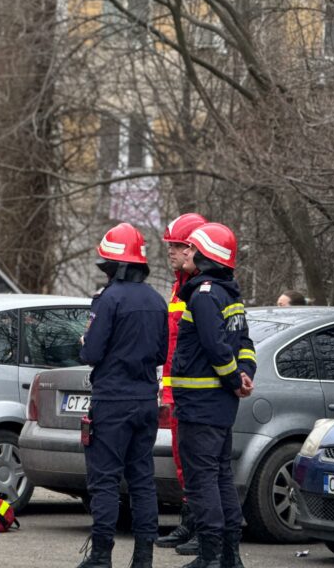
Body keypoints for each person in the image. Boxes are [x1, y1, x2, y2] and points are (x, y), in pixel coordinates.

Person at [76, 223, 168, 568]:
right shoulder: (158, 301)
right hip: (145, 401)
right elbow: (161, 354)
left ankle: (101, 556)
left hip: (112, 401)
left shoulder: (108, 299)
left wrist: (85, 345)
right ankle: (143, 558)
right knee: (142, 480)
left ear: (115, 265)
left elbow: (91, 353)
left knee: (104, 480)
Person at [172, 223, 256, 568]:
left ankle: (210, 556)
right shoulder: (229, 294)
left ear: (206, 255)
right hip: (221, 407)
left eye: (191, 249)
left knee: (202, 480)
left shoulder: (204, 294)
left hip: (200, 406)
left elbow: (215, 347)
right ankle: (229, 556)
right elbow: (246, 345)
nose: (186, 254)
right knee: (221, 476)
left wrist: (236, 378)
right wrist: (246, 374)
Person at [156, 212, 208, 555]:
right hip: (178, 388)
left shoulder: (204, 288)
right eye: (171, 246)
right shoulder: (180, 285)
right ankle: (190, 522)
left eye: (178, 246)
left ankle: (204, 530)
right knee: (182, 459)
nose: (171, 251)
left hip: (197, 391)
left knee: (200, 462)